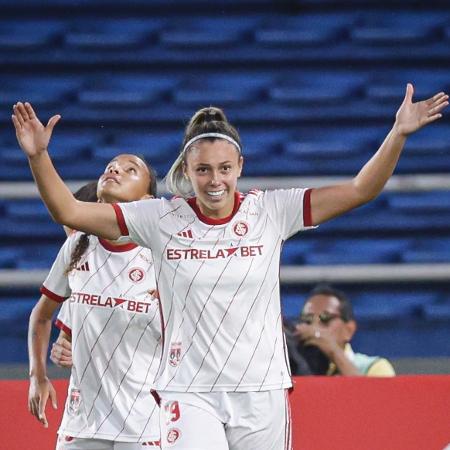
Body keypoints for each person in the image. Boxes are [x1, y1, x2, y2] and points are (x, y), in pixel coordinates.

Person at [13, 84, 448, 450]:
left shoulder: (272, 210)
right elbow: (70, 210)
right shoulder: (160, 218)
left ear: (241, 166)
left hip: (262, 390)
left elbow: (359, 190)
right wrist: (38, 157)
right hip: (189, 389)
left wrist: (398, 134)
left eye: (224, 168)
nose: (215, 179)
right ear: (187, 170)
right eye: (203, 170)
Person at [26, 156, 162, 449]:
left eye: (130, 169)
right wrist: (38, 374)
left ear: (148, 198)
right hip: (82, 422)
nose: (115, 170)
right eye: (111, 165)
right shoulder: (78, 245)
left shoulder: (163, 256)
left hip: (145, 423)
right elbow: (42, 316)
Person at [288, 285, 395, 376]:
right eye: (307, 320)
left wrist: (332, 351)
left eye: (326, 319)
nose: (314, 326)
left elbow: (370, 398)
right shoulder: (293, 369)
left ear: (349, 330)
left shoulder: (374, 367)